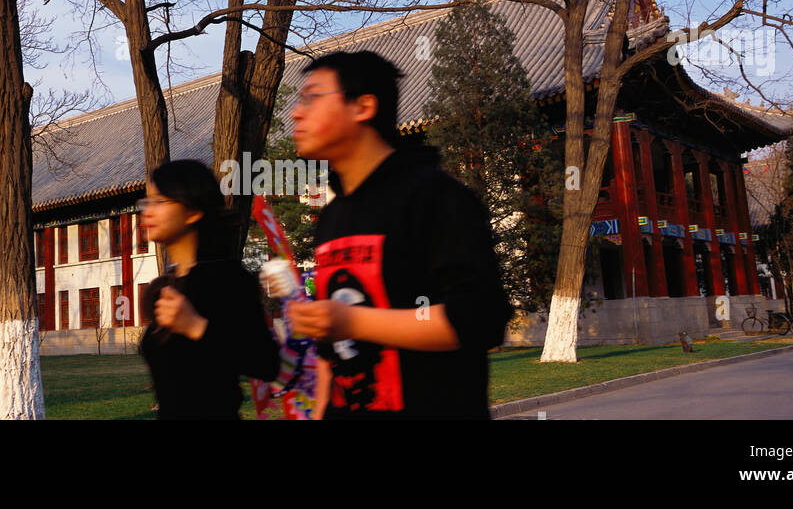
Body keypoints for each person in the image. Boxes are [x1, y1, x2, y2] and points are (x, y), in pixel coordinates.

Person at [283, 50, 513, 419]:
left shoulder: (435, 197)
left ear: (363, 106)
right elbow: (332, 355)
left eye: (312, 97)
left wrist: (354, 321)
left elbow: (478, 320)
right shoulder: (331, 217)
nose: (296, 112)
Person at [138, 159, 280, 419]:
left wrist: (196, 327)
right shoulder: (168, 284)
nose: (146, 211)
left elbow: (266, 363)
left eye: (159, 201)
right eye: (146, 202)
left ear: (192, 211)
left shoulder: (228, 279)